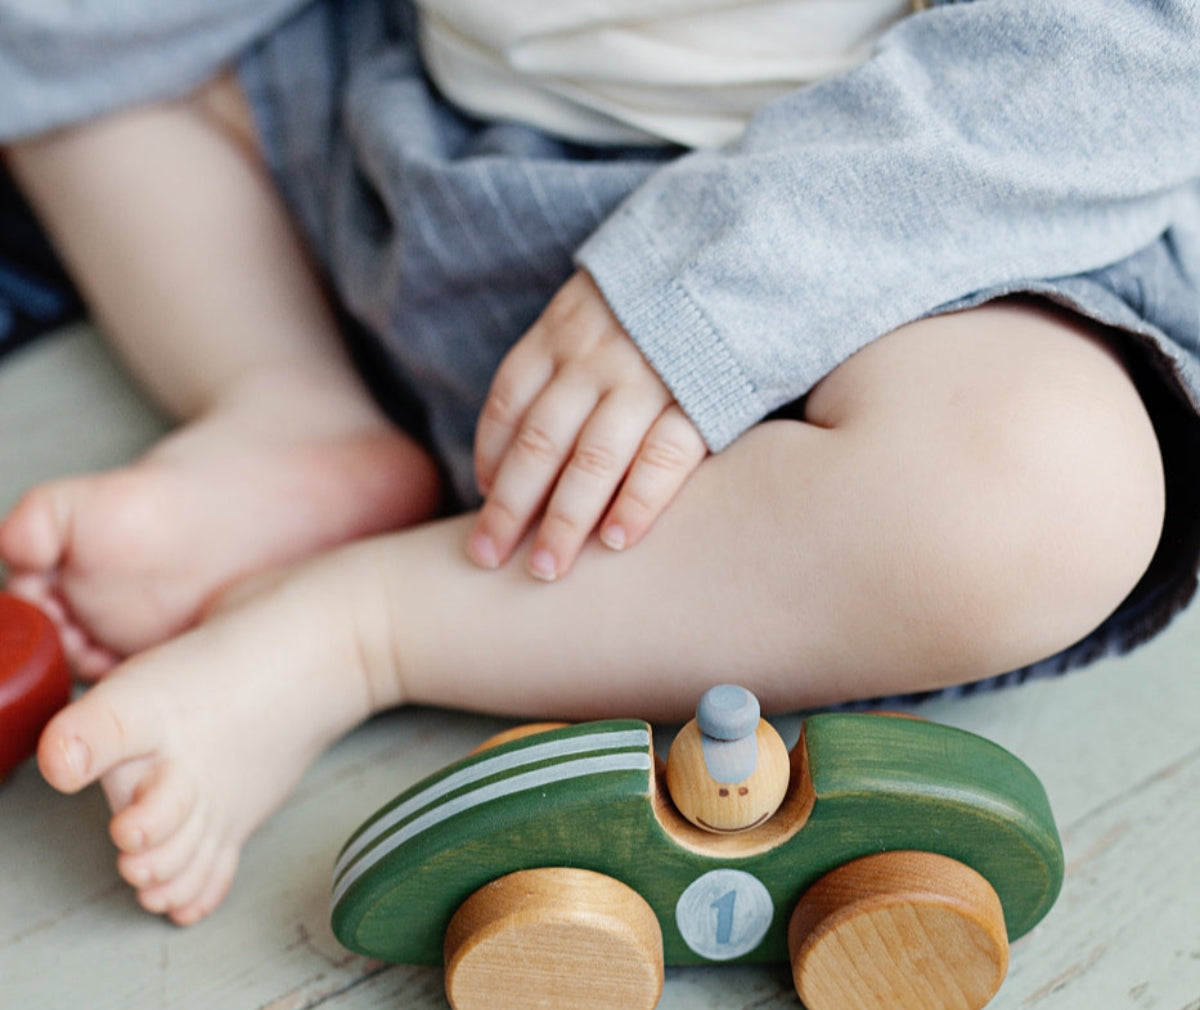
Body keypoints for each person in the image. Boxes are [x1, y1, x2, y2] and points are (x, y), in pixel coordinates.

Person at [0, 0, 1196, 925]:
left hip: (881, 229)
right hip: (413, 131)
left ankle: (371, 623)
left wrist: (720, 277)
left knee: (1046, 490)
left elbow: (1125, 59)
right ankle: (286, 395)